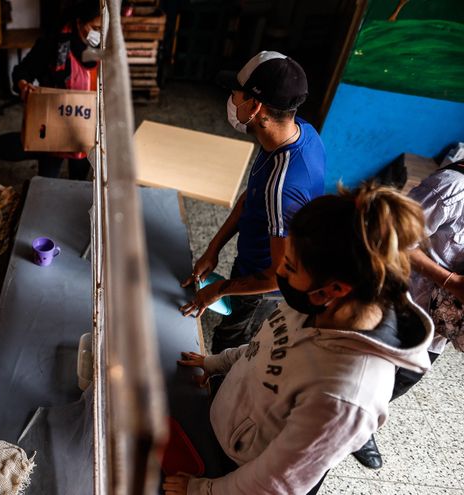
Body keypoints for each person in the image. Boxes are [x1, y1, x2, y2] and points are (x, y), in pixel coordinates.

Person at [165, 183, 434, 495]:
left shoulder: (345, 396)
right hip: (229, 431)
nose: (279, 270)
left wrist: (201, 490)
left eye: (290, 266)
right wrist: (217, 362)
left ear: (336, 289)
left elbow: (275, 482)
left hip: (242, 474)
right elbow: (268, 346)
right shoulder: (315, 303)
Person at [180, 51, 326, 355]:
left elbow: (278, 277)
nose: (232, 99)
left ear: (255, 106)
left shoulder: (283, 187)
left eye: (236, 93)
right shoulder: (299, 134)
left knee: (231, 345)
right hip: (254, 260)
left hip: (264, 284)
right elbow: (251, 198)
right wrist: (213, 249)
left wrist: (218, 290)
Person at [351, 155, 464, 469]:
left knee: (403, 379)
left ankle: (363, 426)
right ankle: (338, 423)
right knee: (361, 371)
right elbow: (394, 238)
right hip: (402, 306)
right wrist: (451, 280)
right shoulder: (451, 188)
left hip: (440, 329)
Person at [11, 0, 101, 180]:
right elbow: (23, 71)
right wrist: (24, 85)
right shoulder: (54, 42)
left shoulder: (106, 46)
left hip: (86, 128)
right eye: (96, 27)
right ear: (80, 22)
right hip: (54, 125)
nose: (101, 33)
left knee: (79, 181)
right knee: (47, 181)